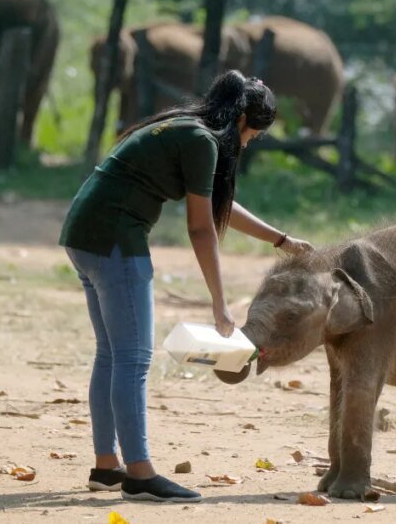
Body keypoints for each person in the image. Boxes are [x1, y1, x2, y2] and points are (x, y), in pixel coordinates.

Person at [59, 70, 313, 503]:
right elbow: (201, 229)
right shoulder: (203, 142)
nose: (250, 143)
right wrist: (220, 303)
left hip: (82, 233)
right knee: (135, 359)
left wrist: (281, 240)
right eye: (254, 134)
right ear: (243, 120)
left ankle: (107, 466)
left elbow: (219, 205)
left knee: (112, 354)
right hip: (116, 239)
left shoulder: (185, 127)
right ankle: (139, 473)